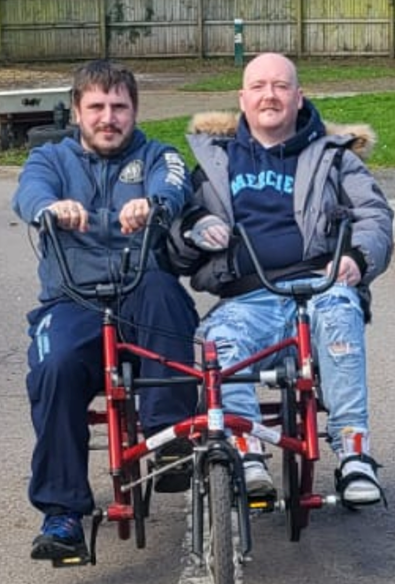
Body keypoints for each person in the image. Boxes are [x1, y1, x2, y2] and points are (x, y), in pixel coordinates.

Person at [167, 53, 393, 505]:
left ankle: (353, 453)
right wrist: (194, 234)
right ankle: (247, 452)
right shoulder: (213, 161)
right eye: (259, 86)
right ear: (242, 98)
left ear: (298, 95)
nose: (269, 95)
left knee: (340, 311)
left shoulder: (334, 157)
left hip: (317, 287)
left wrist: (356, 258)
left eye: (281, 86)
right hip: (245, 296)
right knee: (220, 344)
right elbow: (176, 239)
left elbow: (375, 216)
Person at [12, 59, 199, 562]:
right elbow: (28, 195)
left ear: (135, 111)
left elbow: (175, 186)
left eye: (119, 106)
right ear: (77, 111)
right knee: (53, 369)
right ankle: (63, 512)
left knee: (166, 297)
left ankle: (171, 439)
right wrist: (49, 209)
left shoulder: (158, 154)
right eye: (96, 106)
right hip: (72, 298)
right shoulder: (50, 159)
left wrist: (153, 204)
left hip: (141, 287)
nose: (108, 117)